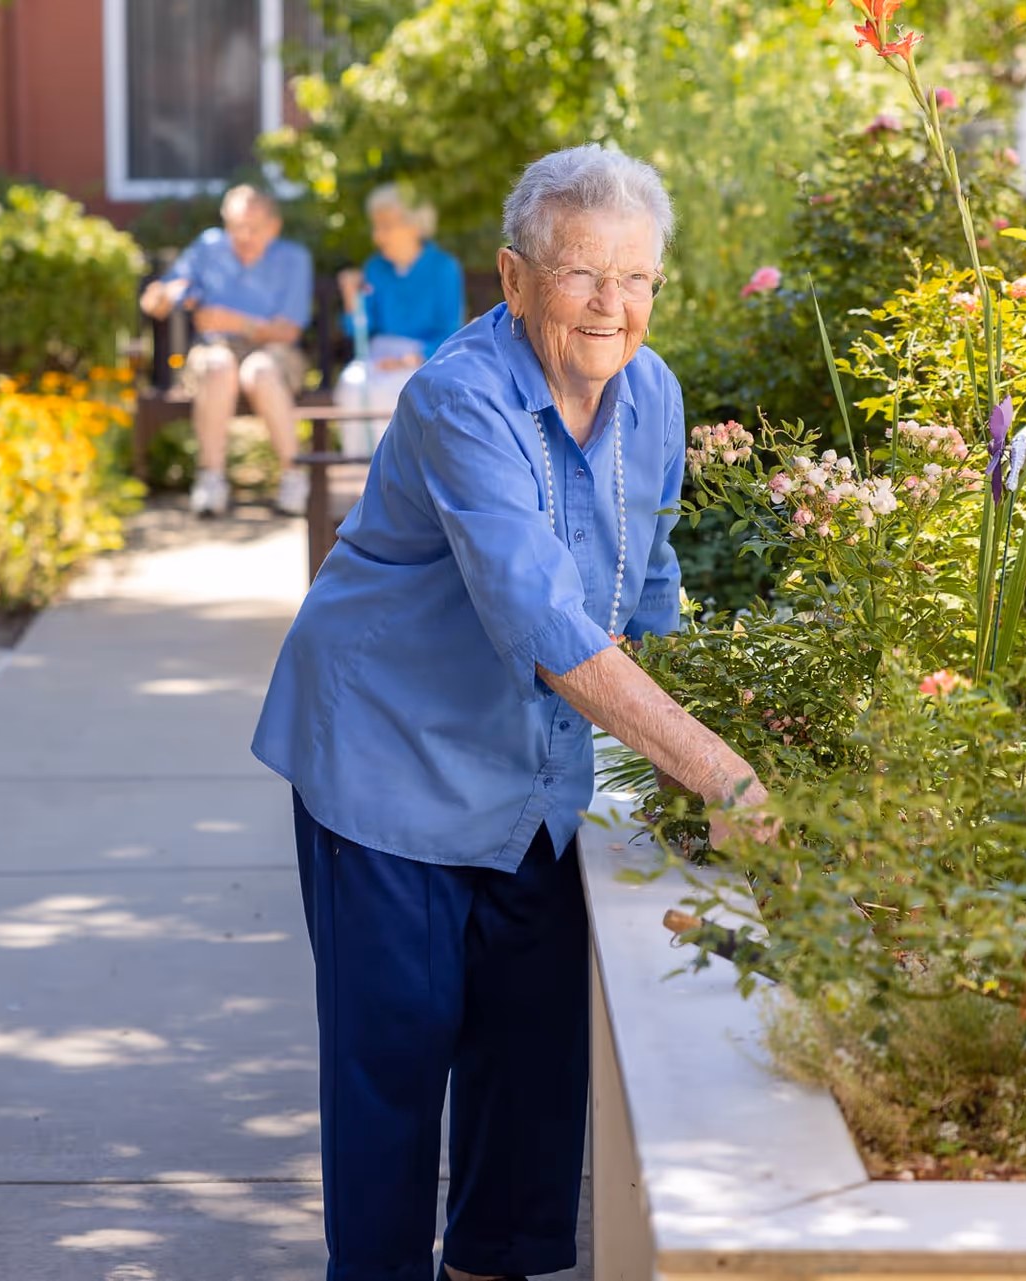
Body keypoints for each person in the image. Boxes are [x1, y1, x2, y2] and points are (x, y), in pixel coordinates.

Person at [251, 145, 776, 1281]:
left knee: (532, 1079)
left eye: (637, 280)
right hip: (389, 763)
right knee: (394, 1073)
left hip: (536, 782)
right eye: (583, 274)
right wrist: (714, 769)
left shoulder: (656, 397)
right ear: (515, 276)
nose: (613, 306)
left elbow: (646, 590)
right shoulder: (461, 397)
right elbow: (542, 622)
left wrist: (677, 755)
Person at [139, 186, 315, 517]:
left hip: (273, 352)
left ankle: (294, 476)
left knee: (259, 371)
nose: (243, 236)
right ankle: (211, 481)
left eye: (254, 228)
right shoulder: (209, 247)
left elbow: (288, 330)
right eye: (236, 227)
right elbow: (163, 298)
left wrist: (234, 322)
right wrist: (161, 296)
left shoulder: (293, 258)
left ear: (274, 226)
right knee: (219, 366)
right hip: (215, 350)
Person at [334, 184, 466, 456]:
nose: (377, 236)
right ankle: (360, 472)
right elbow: (358, 329)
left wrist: (410, 359)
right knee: (351, 384)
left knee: (398, 388)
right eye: (376, 226)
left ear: (414, 226)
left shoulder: (443, 268)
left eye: (386, 226)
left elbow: (450, 331)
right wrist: (351, 298)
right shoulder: (375, 267)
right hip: (379, 355)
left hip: (422, 359)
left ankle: (395, 482)